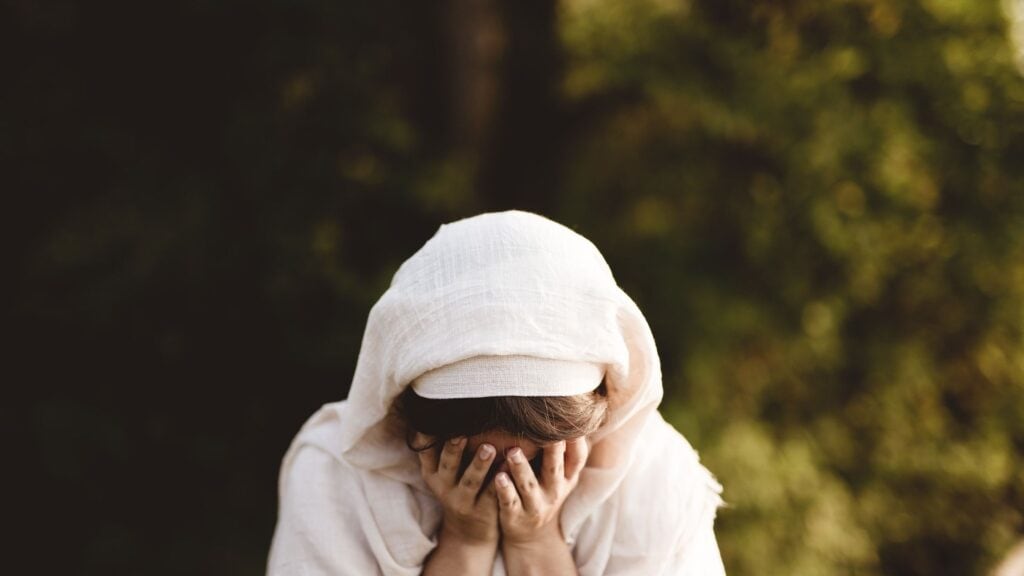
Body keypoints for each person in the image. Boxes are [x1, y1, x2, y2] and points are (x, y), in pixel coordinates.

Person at [267, 210, 726, 575]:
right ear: (408, 415)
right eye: (471, 460)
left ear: (600, 406)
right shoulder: (334, 473)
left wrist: (537, 542)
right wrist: (464, 542)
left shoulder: (656, 481)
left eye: (538, 461)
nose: (508, 485)